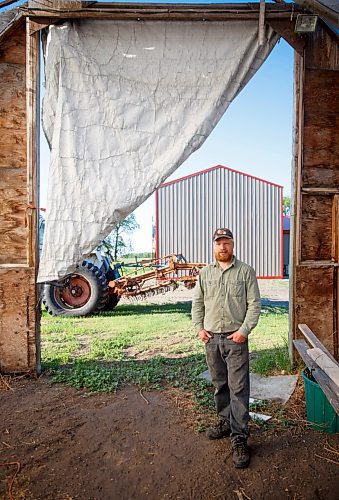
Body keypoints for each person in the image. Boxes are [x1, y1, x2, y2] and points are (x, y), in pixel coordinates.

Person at [191, 228, 261, 468]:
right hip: (211, 340)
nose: (223, 247)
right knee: (220, 385)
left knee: (238, 388)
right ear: (213, 246)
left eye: (227, 243)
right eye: (219, 243)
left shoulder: (245, 272)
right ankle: (224, 421)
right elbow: (197, 303)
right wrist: (199, 328)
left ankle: (239, 437)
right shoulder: (205, 273)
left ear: (233, 245)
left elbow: (254, 305)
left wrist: (243, 332)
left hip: (235, 340)